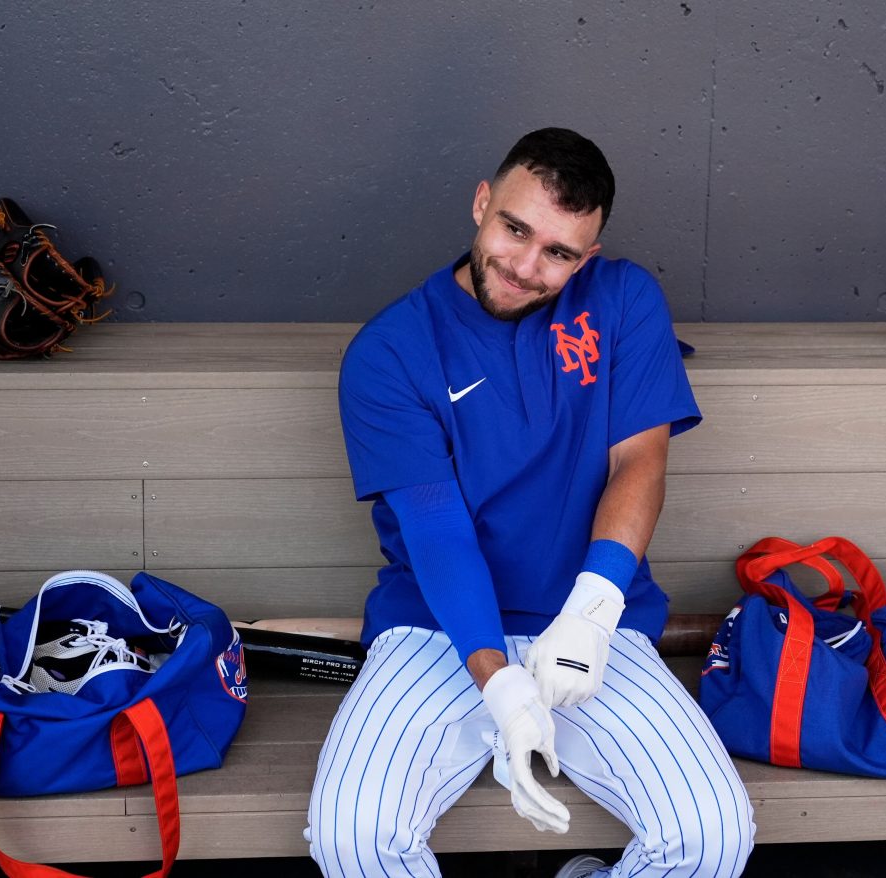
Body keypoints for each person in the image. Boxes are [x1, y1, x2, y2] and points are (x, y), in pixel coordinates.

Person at [305, 127, 755, 878]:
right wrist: (503, 687)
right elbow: (437, 531)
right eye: (515, 230)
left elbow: (640, 461)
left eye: (560, 252)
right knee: (351, 835)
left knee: (712, 836)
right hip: (437, 629)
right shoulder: (392, 350)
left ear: (590, 255)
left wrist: (593, 608)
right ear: (483, 203)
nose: (525, 266)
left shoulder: (621, 299)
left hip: (589, 622)